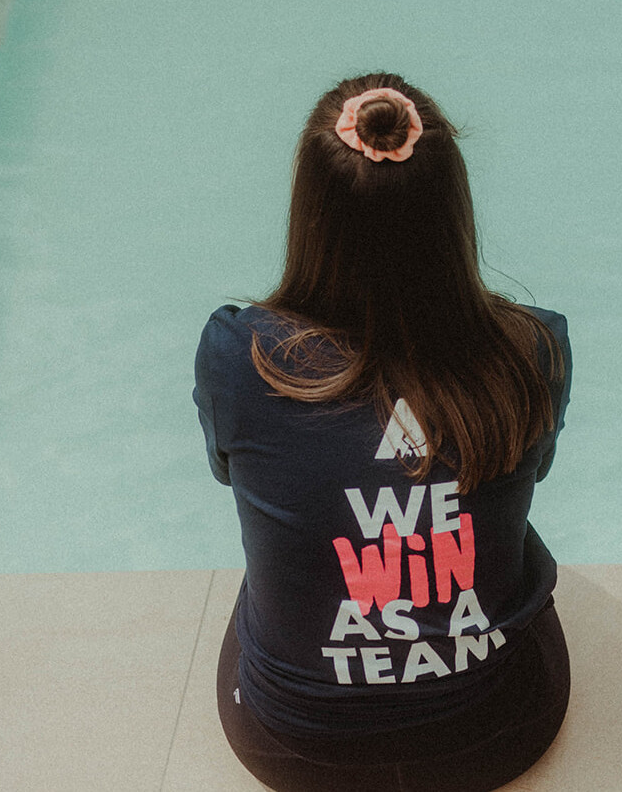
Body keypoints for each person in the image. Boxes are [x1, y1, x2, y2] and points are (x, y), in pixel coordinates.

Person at [195, 73, 572, 791]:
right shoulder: (532, 351)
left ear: (311, 213)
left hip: (295, 748)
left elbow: (229, 470)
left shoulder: (241, 359)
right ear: (450, 212)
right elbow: (534, 470)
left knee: (264, 591)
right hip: (491, 733)